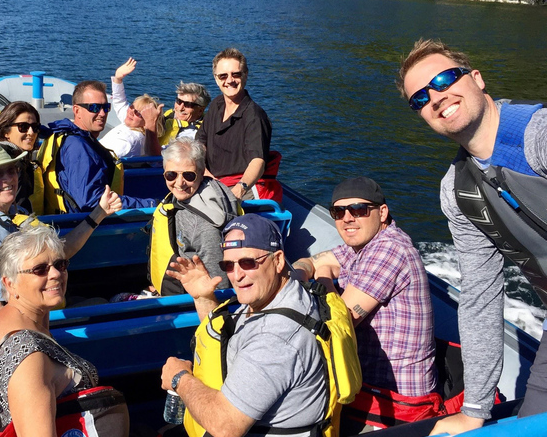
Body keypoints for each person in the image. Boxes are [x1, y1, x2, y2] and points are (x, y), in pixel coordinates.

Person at [397, 38, 547, 435]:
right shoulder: (458, 191)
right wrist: (475, 409)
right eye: (420, 98)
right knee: (529, 427)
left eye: (445, 78)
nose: (436, 96)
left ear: (476, 79)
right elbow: (480, 296)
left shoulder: (538, 136)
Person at [161, 214, 327, 437]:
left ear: (278, 260)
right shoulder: (280, 293)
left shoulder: (276, 339)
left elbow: (225, 427)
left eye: (248, 263)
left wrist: (179, 378)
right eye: (228, 265)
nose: (237, 275)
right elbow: (231, 341)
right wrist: (203, 297)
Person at [293, 177, 438, 430]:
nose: (348, 218)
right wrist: (302, 272)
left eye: (359, 210)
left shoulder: (390, 250)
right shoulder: (362, 244)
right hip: (364, 384)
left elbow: (338, 323)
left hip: (394, 400)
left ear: (382, 213)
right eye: (338, 212)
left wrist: (324, 275)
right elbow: (311, 261)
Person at [0, 225, 129, 436]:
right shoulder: (29, 359)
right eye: (40, 269)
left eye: (60, 264)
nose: (56, 274)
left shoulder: (9, 321)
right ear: (10, 284)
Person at [0, 140, 122, 321]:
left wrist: (99, 213)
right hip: (25, 329)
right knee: (109, 312)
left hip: (40, 314)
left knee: (102, 301)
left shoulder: (11, 215)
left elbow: (61, 252)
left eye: (11, 170)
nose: (8, 179)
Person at [39, 80, 158, 213]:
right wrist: (151, 204)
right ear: (77, 110)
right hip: (80, 226)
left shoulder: (68, 136)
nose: (102, 113)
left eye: (105, 107)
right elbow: (93, 202)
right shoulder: (79, 148)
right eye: (94, 108)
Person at [149, 137, 240, 296]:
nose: (179, 183)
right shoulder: (186, 195)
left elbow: (219, 285)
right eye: (171, 175)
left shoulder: (204, 227)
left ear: (201, 172)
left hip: (190, 302)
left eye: (189, 176)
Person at [195, 48, 281, 203]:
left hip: (241, 187)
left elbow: (258, 161)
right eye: (223, 76)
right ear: (216, 79)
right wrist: (204, 171)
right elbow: (201, 141)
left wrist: (240, 188)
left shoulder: (254, 116)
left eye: (236, 74)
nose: (230, 80)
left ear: (245, 75)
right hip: (211, 180)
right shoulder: (216, 105)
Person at [0, 101, 44, 214]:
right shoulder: (11, 166)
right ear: (5, 132)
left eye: (35, 127)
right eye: (23, 127)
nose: (31, 132)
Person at [100, 58, 164, 158]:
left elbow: (101, 158)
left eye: (138, 113)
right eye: (131, 107)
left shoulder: (129, 141)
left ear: (146, 122)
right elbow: (120, 101)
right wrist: (118, 79)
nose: (131, 112)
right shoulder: (132, 124)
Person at [159, 81, 212, 146]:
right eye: (179, 101)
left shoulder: (206, 130)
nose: (180, 108)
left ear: (200, 110)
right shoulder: (165, 117)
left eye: (188, 104)